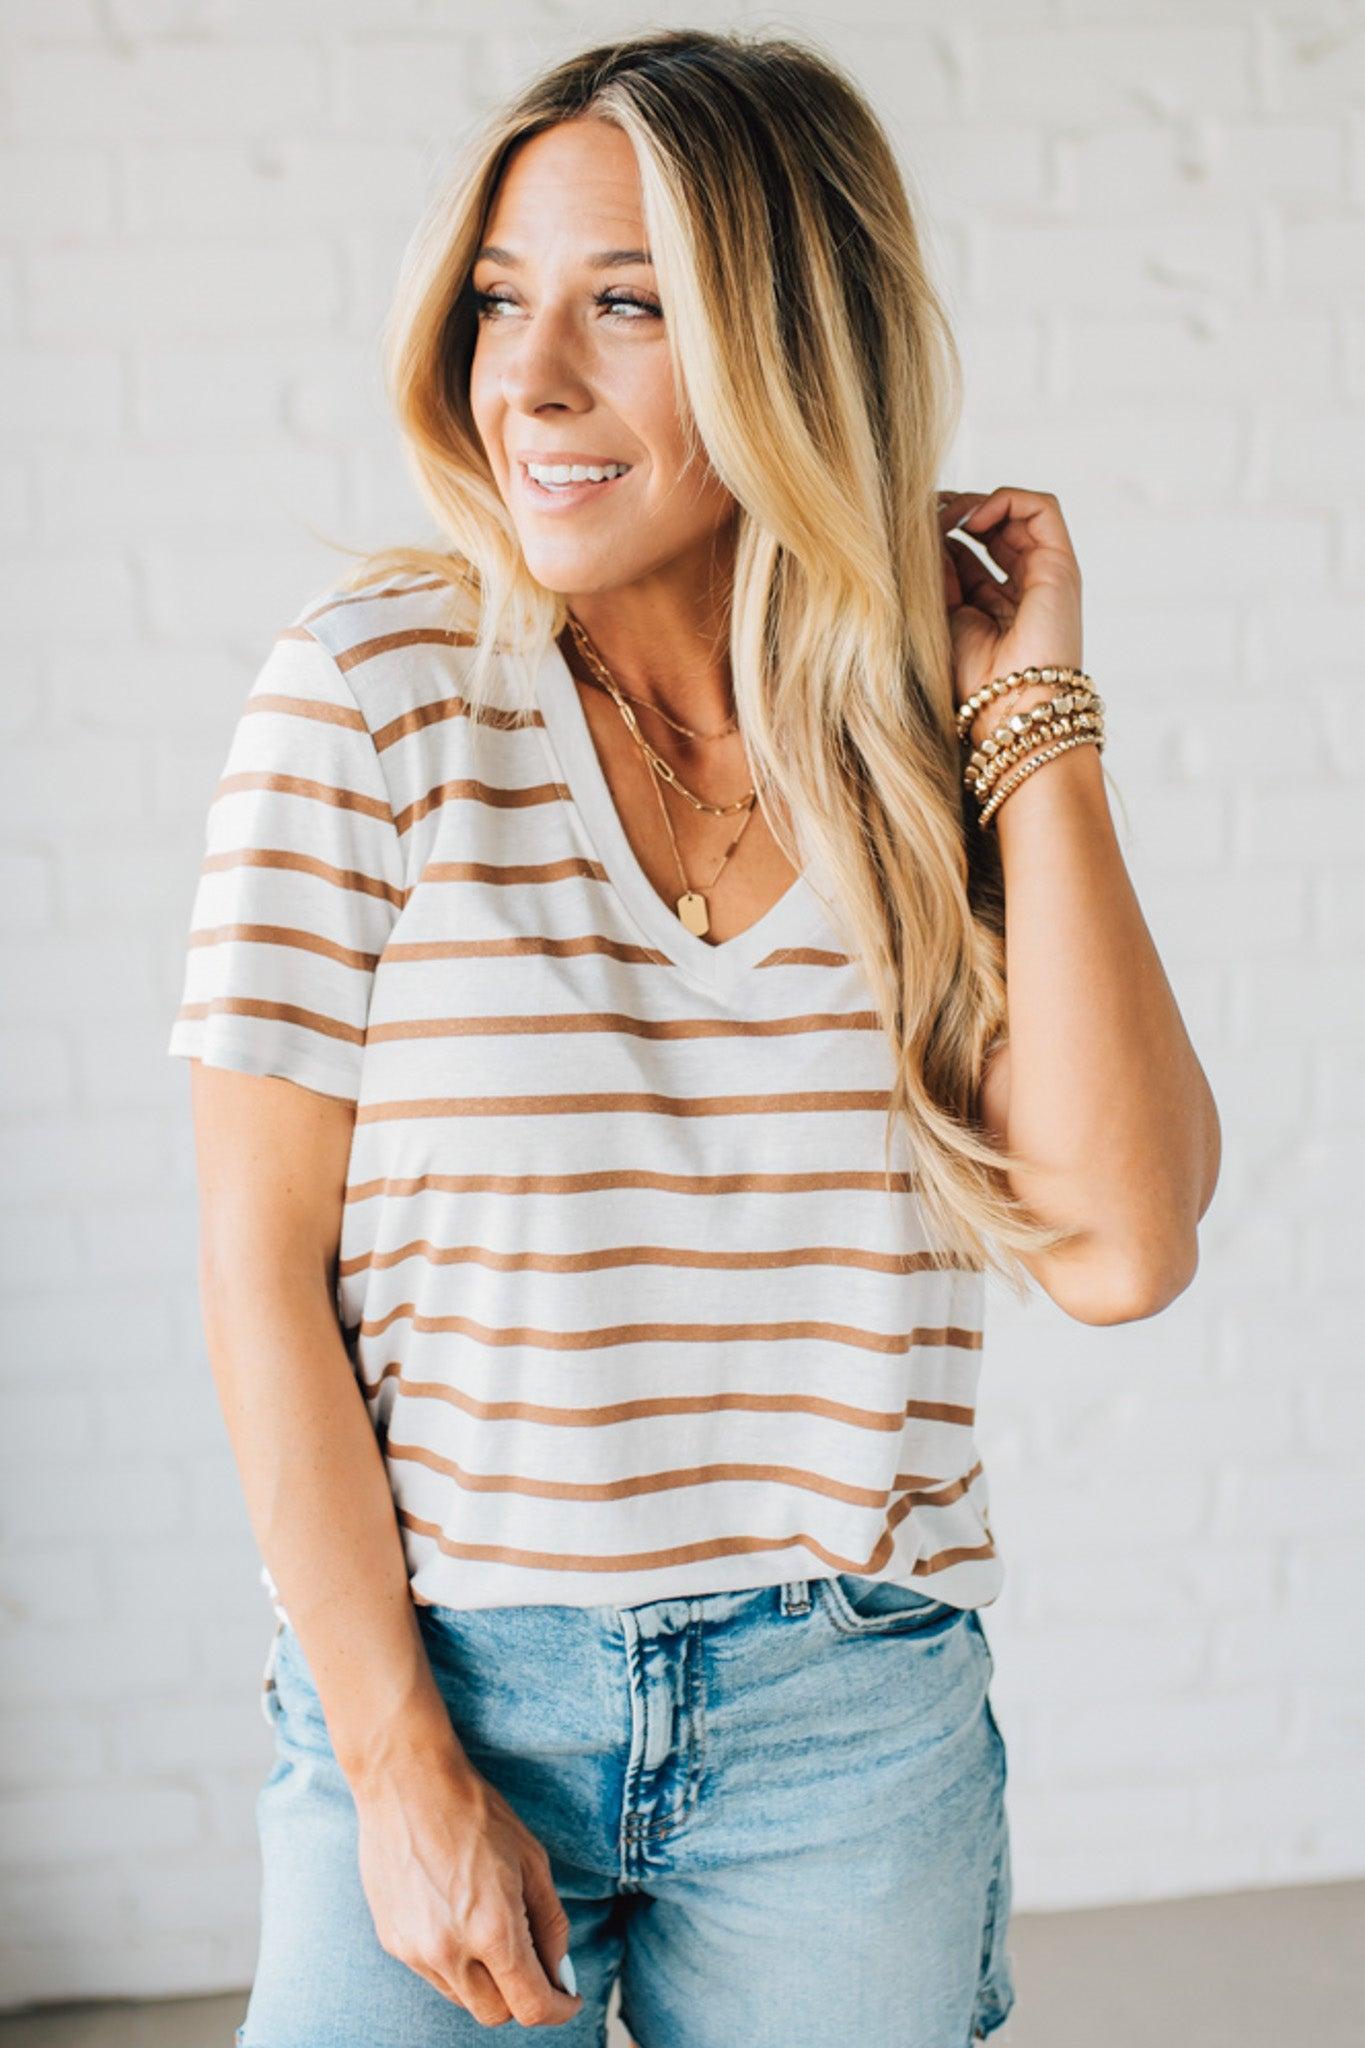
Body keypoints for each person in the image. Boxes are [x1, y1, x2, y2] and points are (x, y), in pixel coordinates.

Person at [167, 27, 1220, 2048]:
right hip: (448, 1684)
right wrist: (397, 1764)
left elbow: (1121, 1244)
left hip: (847, 1726)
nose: (530, 381)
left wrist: (1033, 722)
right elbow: (255, 1266)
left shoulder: (910, 752)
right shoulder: (371, 700)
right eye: (502, 302)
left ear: (791, 346)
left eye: (628, 306)